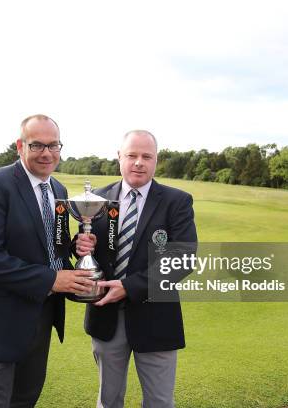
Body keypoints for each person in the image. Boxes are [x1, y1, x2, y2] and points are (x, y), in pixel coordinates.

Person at [0, 114, 94, 408]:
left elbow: (50, 247)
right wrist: (51, 280)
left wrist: (76, 247)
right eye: (37, 145)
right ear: (20, 146)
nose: (47, 153)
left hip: (39, 323)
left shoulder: (57, 190)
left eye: (53, 145)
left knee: (24, 401)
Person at [75, 130, 197, 408]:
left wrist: (128, 287)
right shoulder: (98, 199)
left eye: (146, 156)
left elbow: (182, 259)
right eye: (132, 155)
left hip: (156, 318)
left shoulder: (177, 201)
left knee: (159, 402)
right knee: (108, 401)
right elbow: (85, 247)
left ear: (156, 161)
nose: (138, 162)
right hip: (106, 318)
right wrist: (80, 245)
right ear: (119, 157)